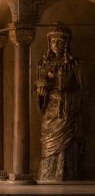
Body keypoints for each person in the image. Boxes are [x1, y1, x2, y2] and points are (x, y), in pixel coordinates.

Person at [35, 23, 84, 181]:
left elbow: (83, 89)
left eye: (60, 41)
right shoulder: (43, 64)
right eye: (53, 41)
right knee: (48, 141)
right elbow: (38, 87)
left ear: (66, 43)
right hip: (50, 109)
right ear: (49, 43)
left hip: (67, 109)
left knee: (67, 144)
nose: (56, 44)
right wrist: (41, 93)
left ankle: (66, 173)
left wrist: (70, 100)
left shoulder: (73, 64)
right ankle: (48, 173)